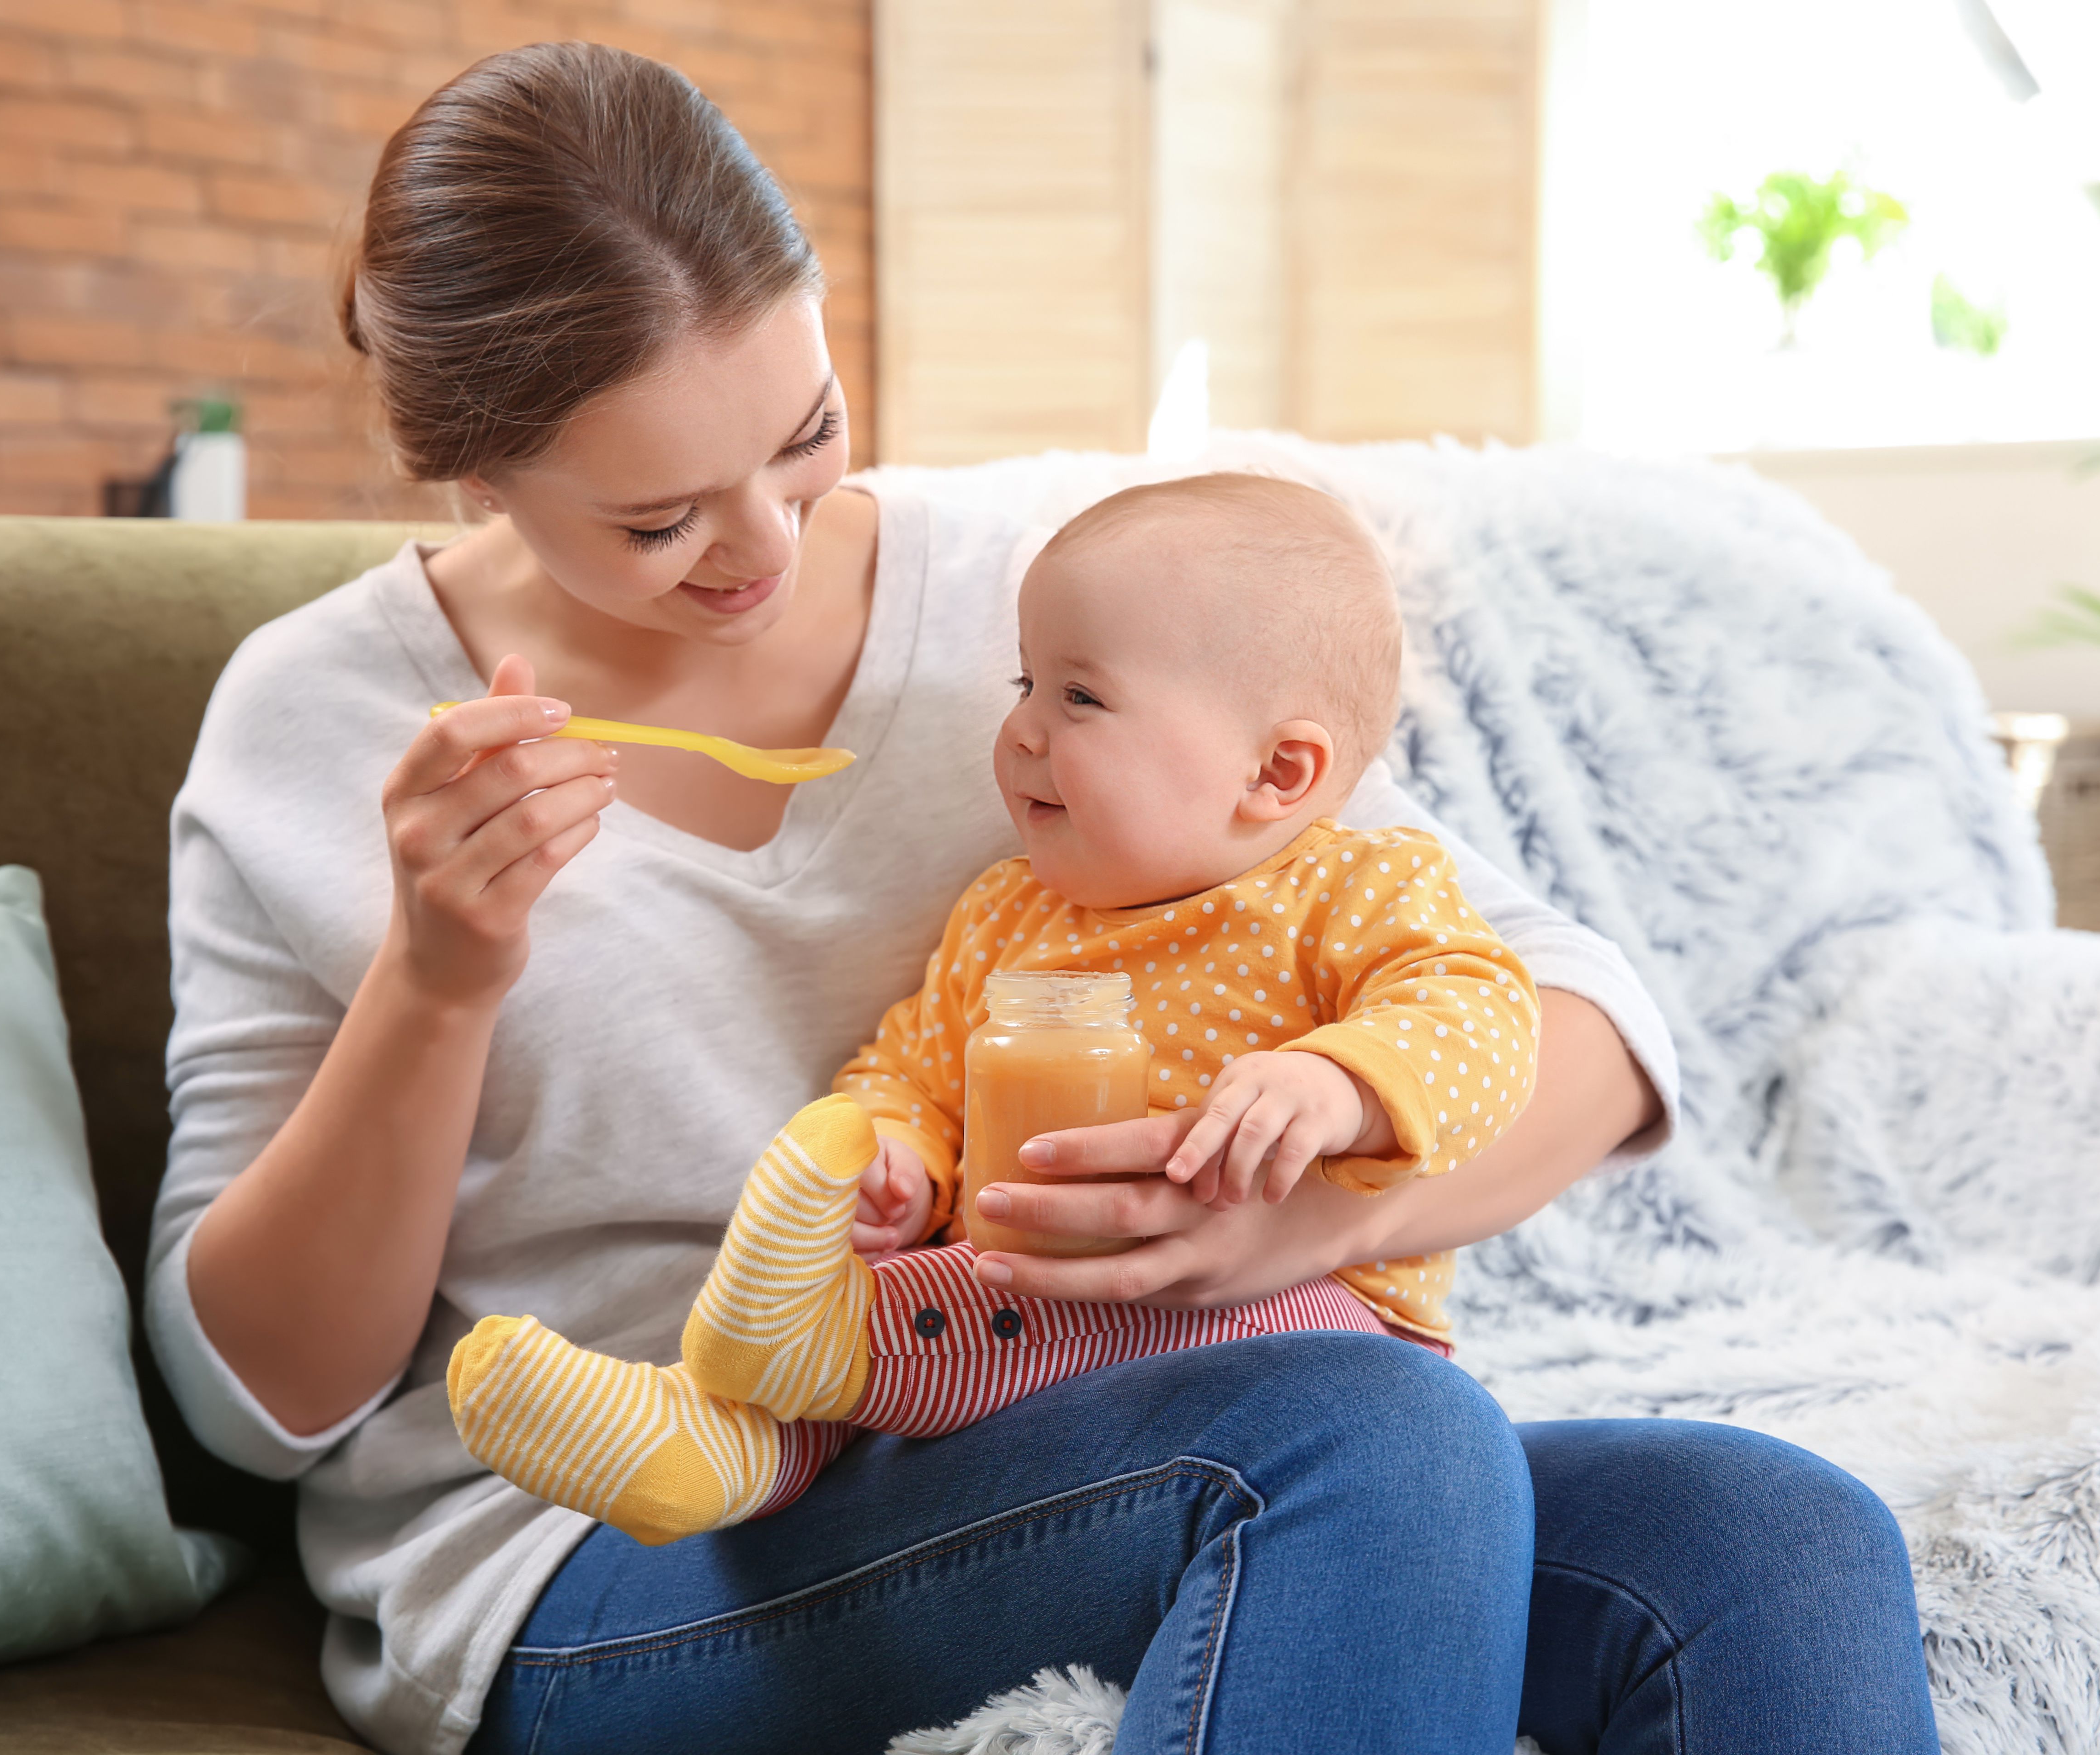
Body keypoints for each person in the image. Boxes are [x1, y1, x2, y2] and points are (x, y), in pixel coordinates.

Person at [144, 40, 1943, 1755]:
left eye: (806, 435)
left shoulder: (1048, 614)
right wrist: (439, 984)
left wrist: (1289, 1228)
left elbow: (1577, 1015)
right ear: (479, 469)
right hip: (623, 1542)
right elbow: (262, 1398)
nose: (764, 550)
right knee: (1360, 1444)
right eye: (659, 520)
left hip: (1104, 1409)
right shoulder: (321, 724)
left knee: (1770, 1547)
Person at [444, 472, 1546, 1544]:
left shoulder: (1352, 891)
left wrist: (1341, 1082)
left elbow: (1484, 1015)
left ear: (1277, 775)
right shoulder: (1009, 916)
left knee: (909, 1318)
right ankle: (721, 1450)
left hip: (1303, 1329)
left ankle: (808, 1354)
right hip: (1010, 1342)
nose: (1022, 731)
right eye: (1026, 686)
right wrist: (896, 1153)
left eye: (1080, 697)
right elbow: (907, 1066)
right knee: (914, 1288)